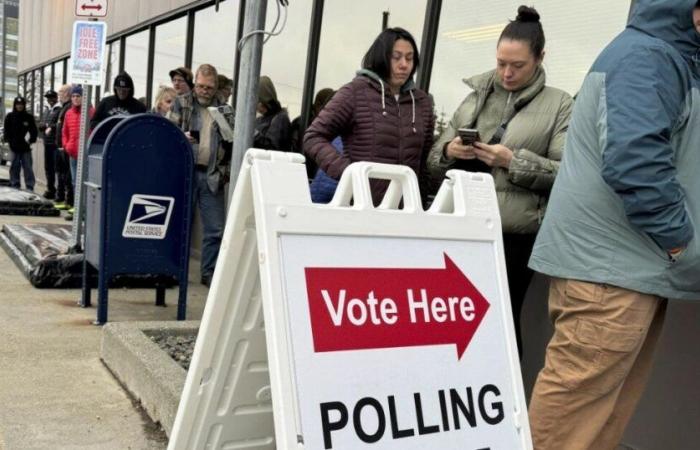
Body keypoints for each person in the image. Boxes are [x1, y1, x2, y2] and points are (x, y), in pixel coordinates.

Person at [526, 1, 700, 449]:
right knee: (569, 427)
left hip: (626, 268)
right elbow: (634, 161)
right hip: (612, 273)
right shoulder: (651, 57)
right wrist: (681, 241)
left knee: (597, 423)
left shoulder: (666, 55)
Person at [427, 6, 572, 355]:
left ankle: (502, 405)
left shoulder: (560, 104)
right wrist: (450, 150)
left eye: (517, 65)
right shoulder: (476, 96)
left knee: (499, 327)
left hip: (512, 238)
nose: (507, 73)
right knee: (443, 325)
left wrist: (513, 161)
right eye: (501, 63)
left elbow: (567, 173)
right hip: (458, 228)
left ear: (540, 58)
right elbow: (432, 162)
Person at [304, 27, 435, 204]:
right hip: (361, 207)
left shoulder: (422, 103)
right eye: (396, 57)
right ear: (381, 57)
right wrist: (349, 173)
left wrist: (422, 207)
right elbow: (313, 137)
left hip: (406, 212)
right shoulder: (355, 92)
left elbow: (423, 164)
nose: (404, 64)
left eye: (409, 58)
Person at [167, 63, 233, 287]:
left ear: (216, 87)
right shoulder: (181, 103)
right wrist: (180, 137)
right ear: (195, 83)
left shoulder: (224, 110)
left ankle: (209, 273)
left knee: (216, 229)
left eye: (209, 87)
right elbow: (165, 133)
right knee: (178, 224)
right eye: (201, 86)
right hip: (185, 172)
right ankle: (174, 270)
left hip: (212, 174)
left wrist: (225, 171)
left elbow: (234, 142)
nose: (204, 90)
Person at [62, 85, 95, 220]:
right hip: (73, 154)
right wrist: (66, 146)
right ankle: (78, 212)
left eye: (78, 96)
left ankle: (86, 212)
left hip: (86, 155)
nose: (75, 99)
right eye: (73, 96)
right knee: (76, 183)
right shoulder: (69, 113)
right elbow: (65, 132)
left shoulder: (91, 112)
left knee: (86, 183)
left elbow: (94, 131)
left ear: (84, 97)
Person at [290, 87, 335, 178]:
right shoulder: (301, 124)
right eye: (328, 108)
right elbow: (294, 152)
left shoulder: (322, 124)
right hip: (301, 174)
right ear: (318, 105)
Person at [3, 97, 38, 191]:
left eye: (21, 104)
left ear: (24, 105)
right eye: (17, 104)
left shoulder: (29, 117)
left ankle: (30, 187)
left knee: (28, 168)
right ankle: (15, 185)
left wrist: (31, 140)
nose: (19, 106)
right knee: (14, 167)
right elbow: (6, 131)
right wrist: (8, 141)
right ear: (15, 105)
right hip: (13, 148)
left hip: (25, 148)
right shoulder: (9, 116)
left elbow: (34, 131)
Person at [253, 76, 291, 151]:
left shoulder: (280, 118)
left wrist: (253, 133)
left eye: (257, 100)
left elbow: (272, 147)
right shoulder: (260, 119)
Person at [54, 84, 73, 210]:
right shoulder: (64, 108)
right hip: (61, 147)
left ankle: (70, 201)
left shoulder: (69, 107)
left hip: (67, 148)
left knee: (68, 175)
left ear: (67, 93)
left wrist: (65, 145)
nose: (59, 94)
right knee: (62, 174)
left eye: (61, 92)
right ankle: (63, 198)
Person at [39, 89, 61, 199]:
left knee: (57, 168)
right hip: (46, 143)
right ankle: (50, 188)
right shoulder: (47, 110)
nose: (50, 100)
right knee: (48, 167)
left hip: (55, 144)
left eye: (52, 98)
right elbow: (42, 124)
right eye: (48, 98)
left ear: (56, 98)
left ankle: (59, 191)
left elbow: (58, 125)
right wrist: (44, 125)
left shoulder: (59, 109)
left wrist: (49, 126)